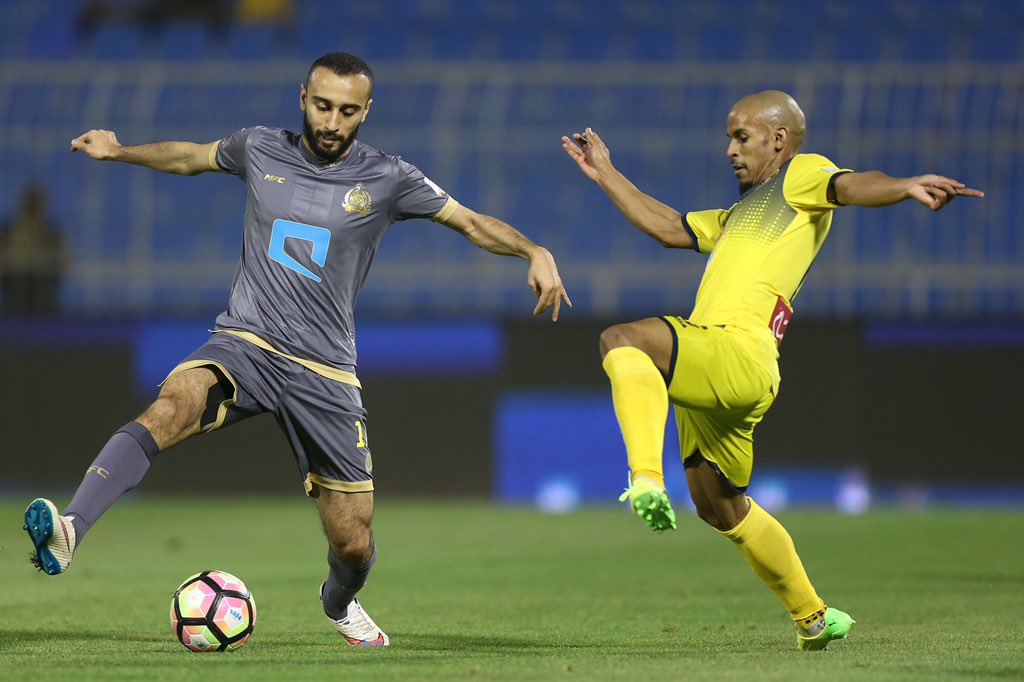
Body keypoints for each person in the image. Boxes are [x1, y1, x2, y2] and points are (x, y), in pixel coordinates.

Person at [24, 52, 571, 648]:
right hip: (246, 341)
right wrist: (121, 149)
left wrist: (532, 251)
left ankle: (338, 600)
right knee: (173, 403)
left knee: (353, 542)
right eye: (323, 105)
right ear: (302, 97)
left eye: (347, 111)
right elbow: (191, 157)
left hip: (325, 371)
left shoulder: (388, 177)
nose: (333, 122)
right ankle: (72, 527)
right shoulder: (258, 147)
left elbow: (469, 221)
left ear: (366, 112)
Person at [561, 90, 982, 650]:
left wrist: (903, 186)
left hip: (735, 351)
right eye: (729, 137)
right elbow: (670, 227)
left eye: (741, 136)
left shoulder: (801, 176)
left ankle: (644, 477)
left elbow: (849, 186)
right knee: (721, 507)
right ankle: (813, 616)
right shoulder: (739, 214)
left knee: (622, 340)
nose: (729, 149)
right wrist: (607, 174)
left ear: (778, 140)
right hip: (729, 374)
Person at [0, 186, 67, 316]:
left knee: (41, 287)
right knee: (18, 285)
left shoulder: (51, 230)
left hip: (42, 276)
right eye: (31, 203)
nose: (34, 207)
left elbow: (62, 258)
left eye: (36, 204)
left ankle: (41, 318)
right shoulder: (10, 228)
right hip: (15, 275)